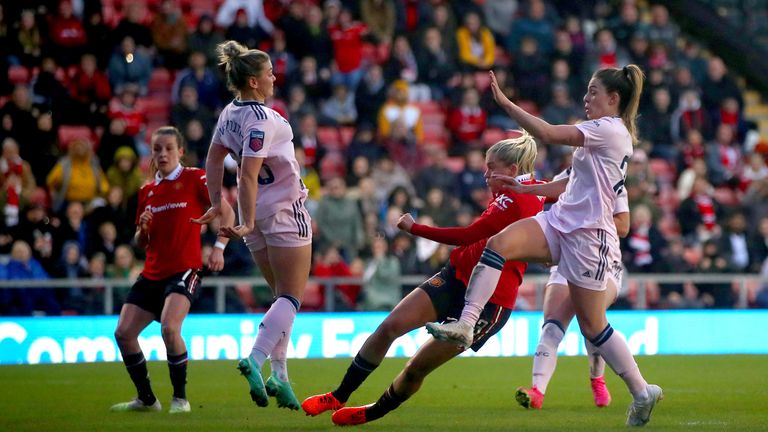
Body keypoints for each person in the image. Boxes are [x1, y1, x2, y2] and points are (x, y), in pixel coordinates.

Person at [426, 66, 663, 427]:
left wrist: (505, 103)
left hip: (588, 237)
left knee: (593, 327)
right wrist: (521, 189)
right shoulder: (600, 138)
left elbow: (549, 133)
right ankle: (466, 322)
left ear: (613, 99)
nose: (586, 99)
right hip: (560, 222)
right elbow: (563, 186)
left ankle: (641, 390)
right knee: (499, 244)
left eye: (593, 92)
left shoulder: (608, 130)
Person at [301, 132, 545, 426]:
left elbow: (467, 235)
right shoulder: (531, 190)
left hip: (490, 304)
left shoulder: (515, 200)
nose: (485, 173)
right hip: (456, 277)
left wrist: (415, 229)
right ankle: (338, 395)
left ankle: (372, 412)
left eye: (491, 167)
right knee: (389, 327)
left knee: (416, 368)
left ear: (512, 171)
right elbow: (555, 192)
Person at [194, 40, 312, 410]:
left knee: (281, 300)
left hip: (257, 218)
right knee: (291, 297)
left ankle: (281, 377)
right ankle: (256, 360)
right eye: (269, 73)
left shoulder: (230, 112)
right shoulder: (262, 119)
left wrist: (217, 202)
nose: (275, 77)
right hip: (282, 213)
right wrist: (242, 222)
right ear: (254, 82)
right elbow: (247, 174)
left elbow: (214, 159)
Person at [110, 126, 234, 414]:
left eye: (168, 148)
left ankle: (180, 399)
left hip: (185, 269)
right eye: (157, 149)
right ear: (151, 153)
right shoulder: (146, 190)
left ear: (180, 151)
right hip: (152, 272)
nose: (162, 154)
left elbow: (226, 210)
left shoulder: (195, 178)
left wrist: (219, 247)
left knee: (169, 327)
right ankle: (146, 399)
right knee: (124, 333)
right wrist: (142, 229)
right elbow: (141, 242)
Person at [494, 168, 630, 410]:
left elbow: (623, 226)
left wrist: (583, 217)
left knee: (593, 324)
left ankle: (598, 379)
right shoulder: (560, 180)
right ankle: (537, 392)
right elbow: (546, 216)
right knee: (552, 327)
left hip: (603, 260)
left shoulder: (611, 180)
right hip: (567, 257)